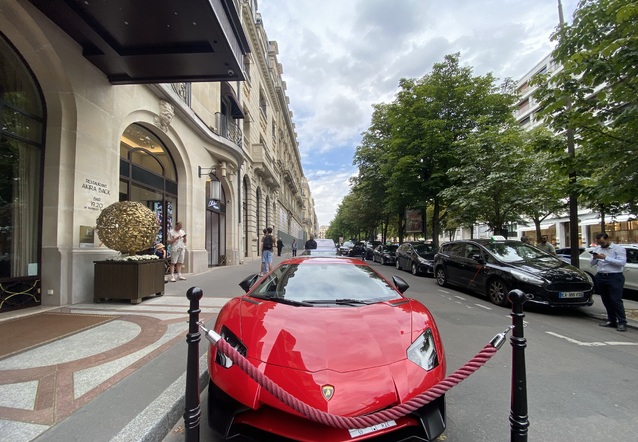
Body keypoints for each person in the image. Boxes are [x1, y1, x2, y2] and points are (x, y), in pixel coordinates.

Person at [591, 232, 627, 331]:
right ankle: (612, 320)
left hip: (614, 276)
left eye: (602, 242)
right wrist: (595, 258)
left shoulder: (618, 249)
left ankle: (622, 322)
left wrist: (605, 258)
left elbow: (622, 263)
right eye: (599, 243)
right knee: (606, 299)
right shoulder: (597, 249)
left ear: (607, 239)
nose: (601, 245)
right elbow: (592, 263)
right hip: (601, 276)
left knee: (615, 299)